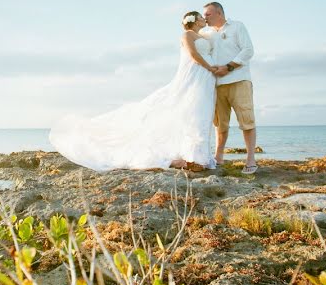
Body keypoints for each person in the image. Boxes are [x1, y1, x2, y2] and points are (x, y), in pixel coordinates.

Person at [49, 11, 217, 171]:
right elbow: (193, 54)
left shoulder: (203, 36)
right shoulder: (187, 35)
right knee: (190, 110)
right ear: (193, 21)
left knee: (199, 112)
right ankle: (194, 158)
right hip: (194, 75)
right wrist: (210, 68)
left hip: (205, 79)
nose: (204, 19)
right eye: (201, 17)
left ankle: (198, 156)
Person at [200, 1, 258, 174]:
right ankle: (218, 157)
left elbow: (248, 50)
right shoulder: (204, 32)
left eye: (208, 14)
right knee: (220, 124)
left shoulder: (237, 27)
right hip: (216, 84)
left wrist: (229, 66)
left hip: (239, 80)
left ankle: (250, 159)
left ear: (219, 13)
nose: (204, 18)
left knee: (246, 120)